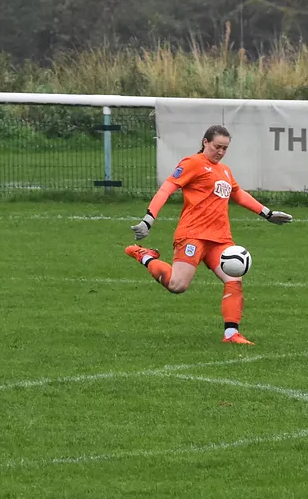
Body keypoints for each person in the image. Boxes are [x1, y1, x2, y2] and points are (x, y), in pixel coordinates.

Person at [125, 124, 293, 344]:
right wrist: (149, 219)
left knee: (234, 279)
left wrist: (267, 213)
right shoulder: (192, 163)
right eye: (217, 147)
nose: (221, 152)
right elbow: (167, 188)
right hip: (192, 235)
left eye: (225, 148)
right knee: (177, 285)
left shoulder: (224, 170)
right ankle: (144, 255)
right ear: (205, 142)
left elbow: (238, 194)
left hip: (220, 239)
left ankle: (231, 334)